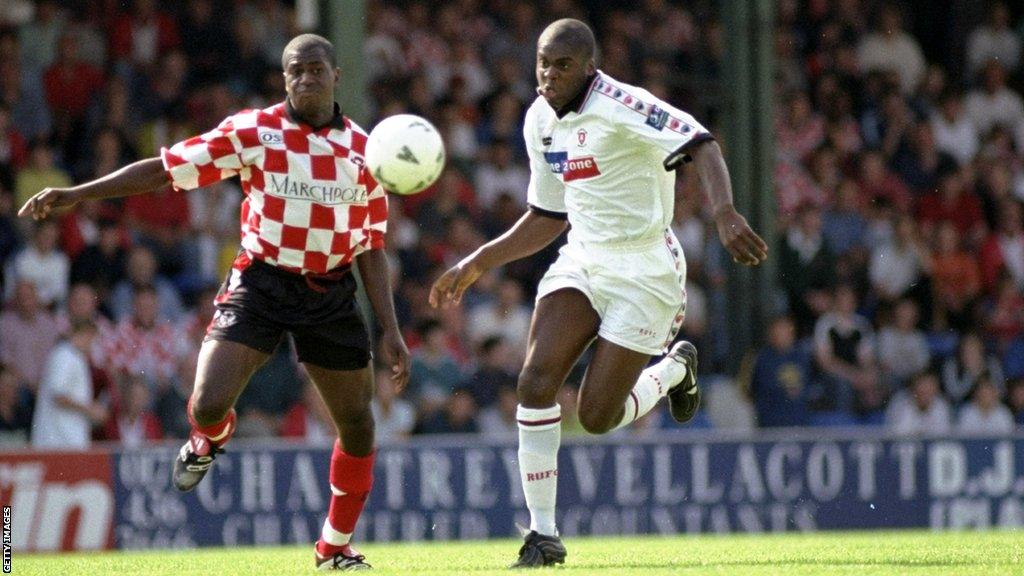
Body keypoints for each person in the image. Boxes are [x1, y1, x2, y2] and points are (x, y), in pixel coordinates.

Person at [19, 33, 409, 571]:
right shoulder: (255, 131)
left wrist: (388, 327)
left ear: (337, 75)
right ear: (284, 77)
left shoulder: (365, 151)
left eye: (316, 68)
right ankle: (207, 440)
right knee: (206, 402)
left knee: (359, 426)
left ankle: (334, 548)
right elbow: (163, 168)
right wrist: (79, 193)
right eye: (296, 70)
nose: (306, 78)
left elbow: (371, 245)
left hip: (331, 291)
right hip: (262, 282)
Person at [429, 19, 767, 568]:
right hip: (584, 259)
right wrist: (479, 260)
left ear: (589, 66)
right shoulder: (538, 119)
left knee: (597, 415)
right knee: (534, 382)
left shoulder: (626, 105)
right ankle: (542, 534)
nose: (548, 74)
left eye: (562, 65)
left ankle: (675, 370)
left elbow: (701, 143)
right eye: (542, 62)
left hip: (645, 269)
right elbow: (546, 215)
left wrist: (724, 211)